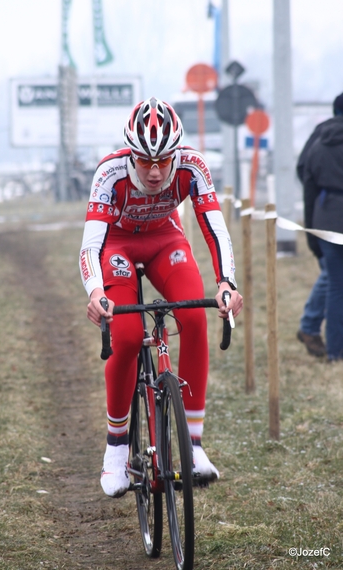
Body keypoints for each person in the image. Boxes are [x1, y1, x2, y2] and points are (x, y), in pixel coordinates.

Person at [79, 97, 243, 497]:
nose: (154, 172)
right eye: (144, 161)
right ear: (130, 154)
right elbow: (90, 245)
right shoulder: (109, 173)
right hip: (117, 247)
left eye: (163, 161)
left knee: (194, 316)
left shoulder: (192, 166)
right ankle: (116, 449)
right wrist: (96, 291)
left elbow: (214, 229)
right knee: (129, 336)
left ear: (176, 154)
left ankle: (195, 445)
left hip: (164, 240)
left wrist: (227, 283)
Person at [301, 92, 343, 362]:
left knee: (336, 287)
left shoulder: (318, 144)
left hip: (326, 219)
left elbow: (309, 191)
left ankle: (335, 352)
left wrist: (311, 234)